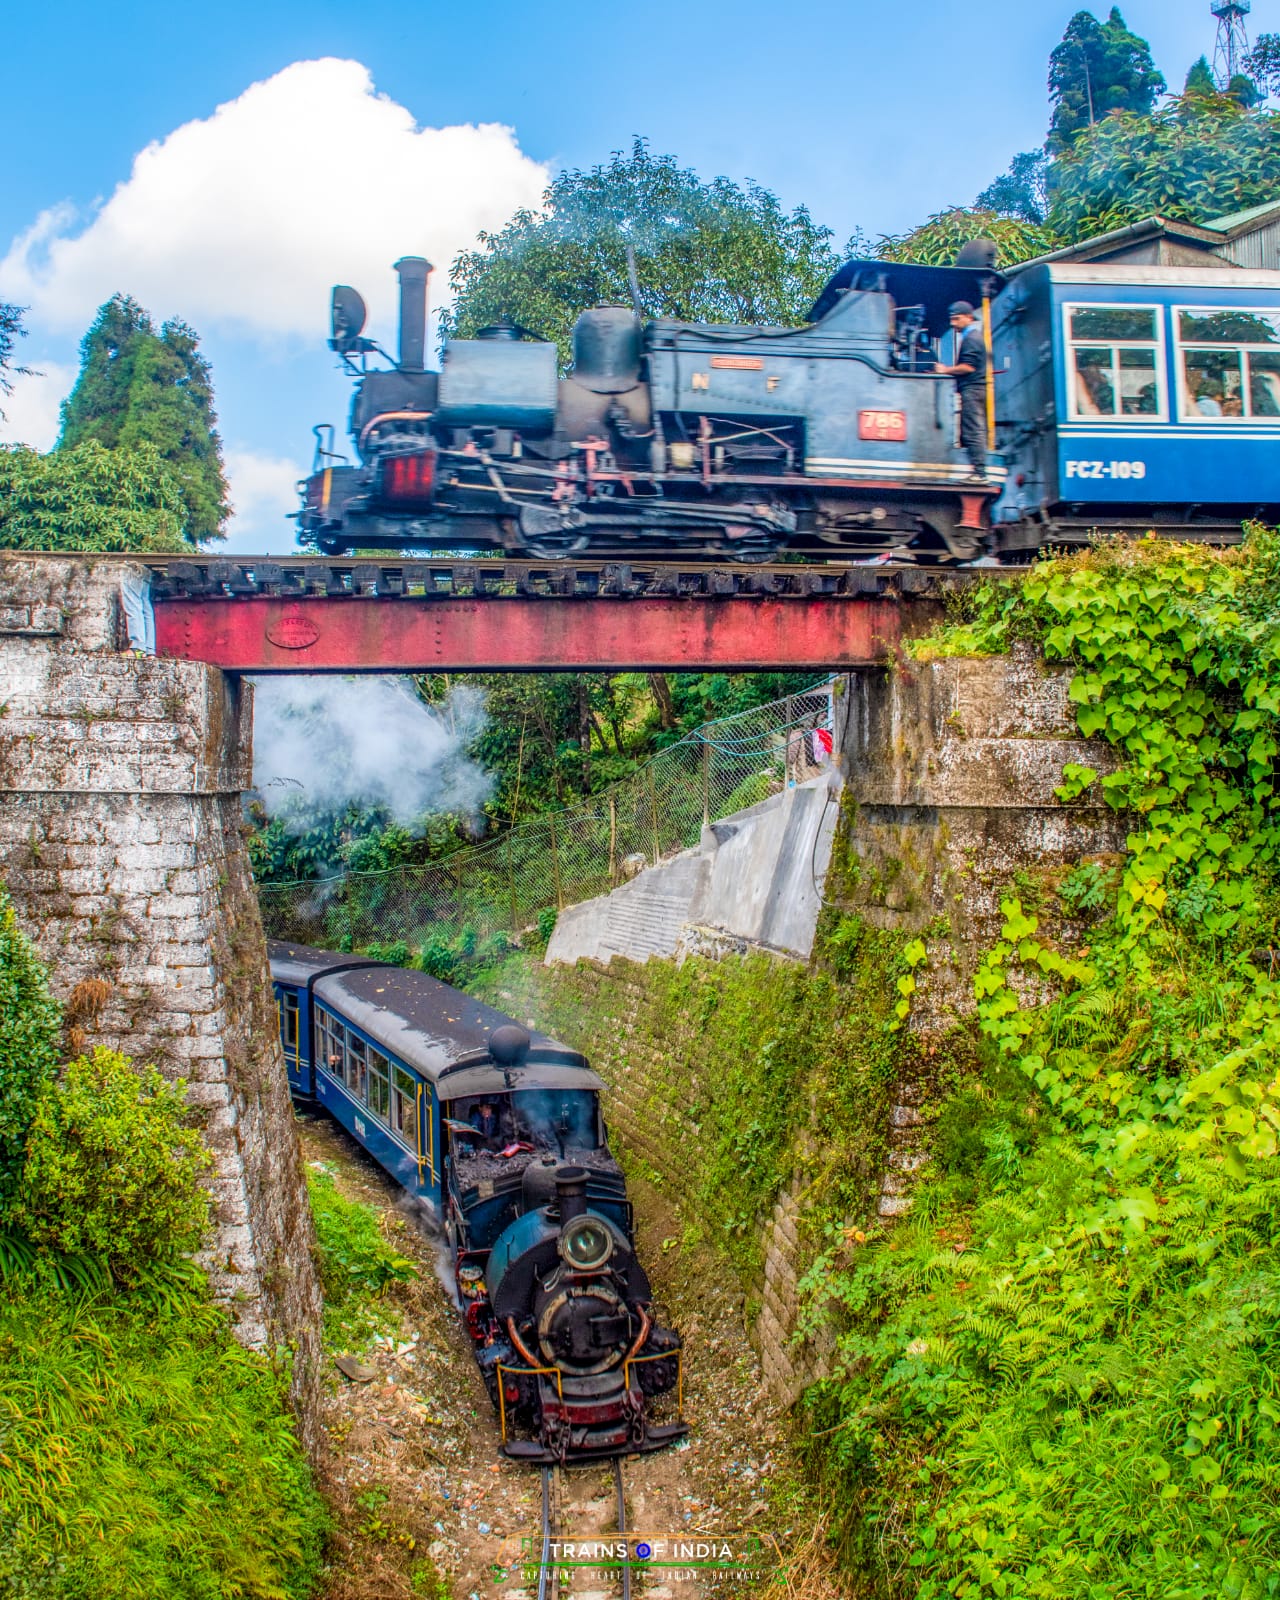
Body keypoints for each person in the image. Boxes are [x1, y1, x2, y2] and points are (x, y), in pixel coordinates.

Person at [936, 302, 989, 481]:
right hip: (973, 389)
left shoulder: (972, 338)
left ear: (969, 317)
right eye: (951, 319)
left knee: (973, 430)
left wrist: (945, 370)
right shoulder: (971, 337)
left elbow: (968, 367)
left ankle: (980, 472)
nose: (953, 323)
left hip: (973, 389)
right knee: (970, 430)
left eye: (957, 319)